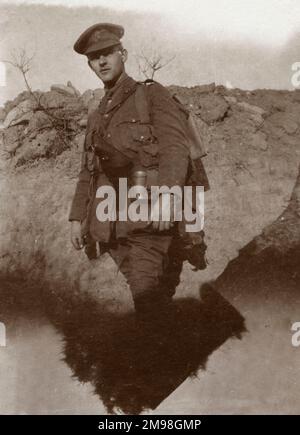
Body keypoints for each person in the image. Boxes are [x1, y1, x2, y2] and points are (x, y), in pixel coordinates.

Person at [69, 23, 205, 320]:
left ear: (124, 54)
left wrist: (168, 197)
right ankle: (166, 356)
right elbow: (87, 171)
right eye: (94, 58)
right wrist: (77, 217)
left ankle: (155, 361)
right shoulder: (96, 115)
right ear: (90, 65)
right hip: (113, 225)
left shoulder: (151, 95)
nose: (102, 61)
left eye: (108, 53)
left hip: (150, 218)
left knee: (146, 299)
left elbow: (174, 148)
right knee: (151, 299)